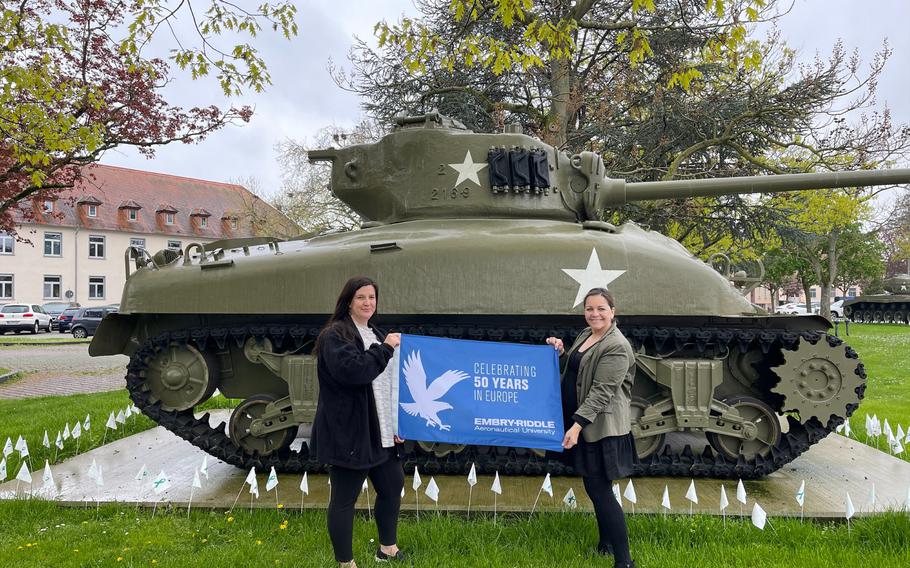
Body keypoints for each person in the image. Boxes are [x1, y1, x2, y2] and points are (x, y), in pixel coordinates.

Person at [311, 276, 406, 567]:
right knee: (344, 499)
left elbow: (387, 384)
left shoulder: (373, 332)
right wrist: (386, 349)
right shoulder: (335, 335)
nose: (368, 303)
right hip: (350, 432)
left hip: (380, 431)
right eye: (361, 297)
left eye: (372, 297)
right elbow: (355, 372)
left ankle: (387, 549)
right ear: (349, 301)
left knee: (392, 487)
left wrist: (395, 423)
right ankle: (346, 563)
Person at [546, 287, 637, 568]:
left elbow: (602, 391)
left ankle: (624, 562)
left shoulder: (616, 346)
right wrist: (561, 352)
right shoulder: (587, 335)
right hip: (583, 423)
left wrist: (576, 427)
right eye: (589, 309)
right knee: (594, 486)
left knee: (600, 490)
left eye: (601, 309)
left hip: (600, 428)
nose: (594, 314)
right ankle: (605, 545)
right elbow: (576, 372)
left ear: (613, 312)